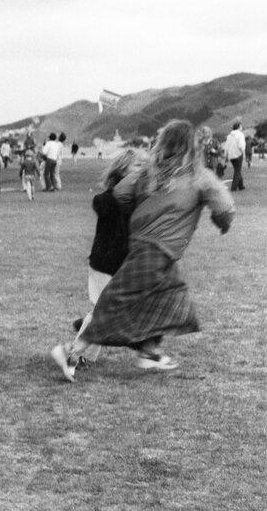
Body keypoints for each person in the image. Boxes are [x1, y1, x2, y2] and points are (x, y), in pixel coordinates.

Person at [51, 119, 235, 382]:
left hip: (147, 246)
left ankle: (149, 352)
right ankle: (70, 352)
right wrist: (223, 225)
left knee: (173, 299)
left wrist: (142, 208)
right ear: (192, 147)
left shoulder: (148, 173)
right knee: (118, 302)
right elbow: (225, 208)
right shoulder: (200, 177)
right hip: (157, 251)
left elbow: (121, 193)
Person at [66, 149, 142, 369]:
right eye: (137, 166)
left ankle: (84, 340)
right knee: (105, 312)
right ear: (122, 169)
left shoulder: (138, 197)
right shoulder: (109, 198)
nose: (142, 170)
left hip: (122, 265)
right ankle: (73, 353)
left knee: (110, 312)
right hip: (104, 264)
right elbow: (102, 203)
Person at [224, 121, 246, 191]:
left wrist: (226, 156)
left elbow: (226, 147)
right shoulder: (240, 134)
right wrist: (243, 151)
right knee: (237, 171)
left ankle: (241, 185)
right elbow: (241, 145)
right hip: (238, 154)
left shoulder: (229, 135)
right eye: (241, 126)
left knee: (237, 170)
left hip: (231, 155)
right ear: (239, 127)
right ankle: (234, 187)